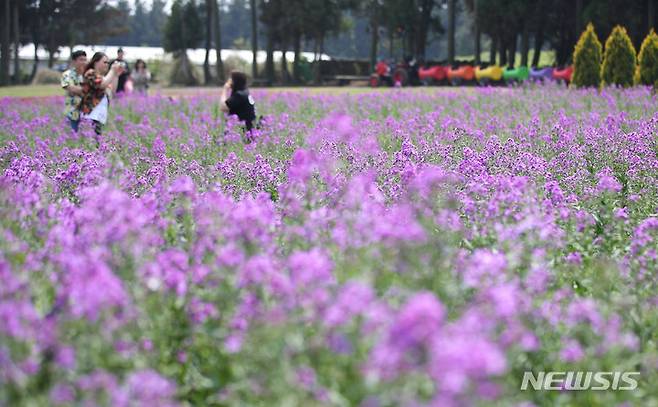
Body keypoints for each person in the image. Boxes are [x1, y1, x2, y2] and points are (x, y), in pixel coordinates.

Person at [79, 52, 124, 136]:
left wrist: (116, 75)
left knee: (97, 145)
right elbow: (101, 85)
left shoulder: (103, 77)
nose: (107, 65)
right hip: (90, 116)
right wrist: (112, 70)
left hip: (99, 116)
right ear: (96, 62)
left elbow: (112, 91)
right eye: (105, 62)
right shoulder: (90, 73)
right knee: (92, 144)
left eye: (108, 63)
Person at [60, 50, 87, 132]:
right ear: (74, 61)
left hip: (86, 114)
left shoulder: (87, 75)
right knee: (72, 137)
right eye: (81, 60)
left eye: (85, 60)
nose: (83, 62)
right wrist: (88, 90)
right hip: (72, 112)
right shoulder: (67, 74)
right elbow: (71, 89)